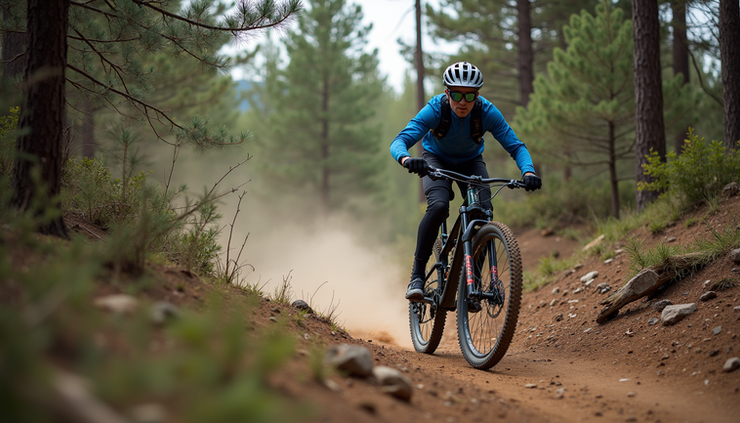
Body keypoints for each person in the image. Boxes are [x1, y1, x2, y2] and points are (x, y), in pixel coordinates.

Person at [390, 61, 542, 301]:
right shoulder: (435, 110)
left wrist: (528, 172)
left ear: (477, 95)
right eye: (457, 94)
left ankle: (475, 283)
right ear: (447, 92)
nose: (463, 101)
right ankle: (417, 276)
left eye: (469, 95)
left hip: (471, 161)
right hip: (436, 160)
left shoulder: (486, 112)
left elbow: (516, 146)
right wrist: (407, 158)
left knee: (482, 214)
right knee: (439, 207)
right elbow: (400, 140)